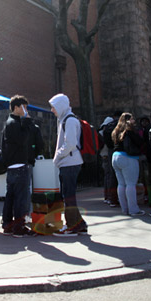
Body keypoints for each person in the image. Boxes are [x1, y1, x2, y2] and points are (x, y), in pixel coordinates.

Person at [48, 93, 88, 237]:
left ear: (60, 106)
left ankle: (72, 226)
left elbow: (70, 144)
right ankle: (79, 224)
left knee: (68, 196)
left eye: (53, 107)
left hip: (69, 163)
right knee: (68, 195)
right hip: (70, 162)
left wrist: (57, 156)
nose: (52, 110)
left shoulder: (69, 120)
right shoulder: (66, 119)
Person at [1, 95, 37, 237]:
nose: (26, 110)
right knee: (20, 198)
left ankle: (8, 225)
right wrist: (27, 121)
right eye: (24, 107)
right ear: (16, 107)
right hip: (19, 166)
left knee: (11, 197)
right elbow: (23, 140)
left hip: (12, 166)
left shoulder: (9, 122)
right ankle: (18, 227)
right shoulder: (14, 123)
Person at [111, 112, 145, 216]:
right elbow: (140, 142)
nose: (134, 121)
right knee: (131, 184)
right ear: (128, 120)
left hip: (115, 157)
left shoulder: (116, 131)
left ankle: (124, 209)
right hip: (128, 157)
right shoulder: (130, 131)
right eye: (132, 119)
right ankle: (133, 210)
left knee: (121, 184)